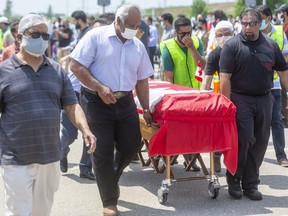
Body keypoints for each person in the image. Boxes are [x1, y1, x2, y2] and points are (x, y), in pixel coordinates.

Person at [0, 13, 96, 216]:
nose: (42, 40)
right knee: (18, 211)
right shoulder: (4, 72)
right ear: (20, 37)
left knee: (41, 211)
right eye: (36, 34)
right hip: (16, 157)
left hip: (50, 155)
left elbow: (71, 105)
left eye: (46, 36)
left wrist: (85, 129)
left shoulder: (56, 71)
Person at [69, 3, 153, 216]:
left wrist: (146, 108)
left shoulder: (137, 45)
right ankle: (110, 202)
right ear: (117, 21)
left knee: (132, 145)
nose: (134, 29)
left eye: (137, 25)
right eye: (130, 25)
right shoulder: (95, 37)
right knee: (102, 151)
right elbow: (76, 66)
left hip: (125, 102)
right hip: (96, 102)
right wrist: (99, 87)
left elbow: (142, 80)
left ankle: (110, 176)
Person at [219, 8, 288, 201]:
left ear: (261, 24)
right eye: (244, 23)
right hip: (241, 99)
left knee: (260, 140)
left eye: (252, 23)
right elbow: (225, 78)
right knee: (244, 139)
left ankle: (250, 184)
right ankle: (234, 179)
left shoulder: (271, 45)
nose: (247, 28)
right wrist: (227, 105)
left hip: (265, 98)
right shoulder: (232, 46)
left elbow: (283, 71)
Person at [160, 16, 206, 171]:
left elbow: (203, 65)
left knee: (195, 130)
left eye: (189, 32)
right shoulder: (167, 46)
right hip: (178, 95)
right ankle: (185, 157)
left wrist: (191, 47)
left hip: (196, 92)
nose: (186, 36)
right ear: (175, 32)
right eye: (183, 34)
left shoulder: (197, 42)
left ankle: (189, 157)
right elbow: (169, 77)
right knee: (181, 129)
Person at [58, 10, 95, 180]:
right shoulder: (85, 36)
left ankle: (85, 168)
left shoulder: (93, 37)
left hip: (92, 93)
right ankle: (61, 152)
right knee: (68, 133)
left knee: (91, 131)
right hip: (72, 90)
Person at [256, 5, 288, 167]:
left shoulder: (279, 33)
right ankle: (254, 156)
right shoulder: (252, 33)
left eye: (260, 18)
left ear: (268, 18)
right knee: (258, 122)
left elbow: (285, 57)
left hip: (274, 84)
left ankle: (281, 155)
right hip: (256, 85)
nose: (257, 22)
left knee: (276, 119)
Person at [201, 20, 234, 173]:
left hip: (241, 96)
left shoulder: (241, 49)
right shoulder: (215, 54)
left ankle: (236, 164)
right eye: (219, 35)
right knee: (219, 131)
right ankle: (216, 155)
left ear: (234, 34)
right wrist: (201, 100)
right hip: (220, 98)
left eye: (227, 34)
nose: (223, 38)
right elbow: (206, 79)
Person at [275, 4, 288, 126]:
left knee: (284, 91)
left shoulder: (286, 28)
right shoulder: (283, 26)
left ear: (285, 13)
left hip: (285, 62)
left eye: (281, 13)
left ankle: (284, 116)